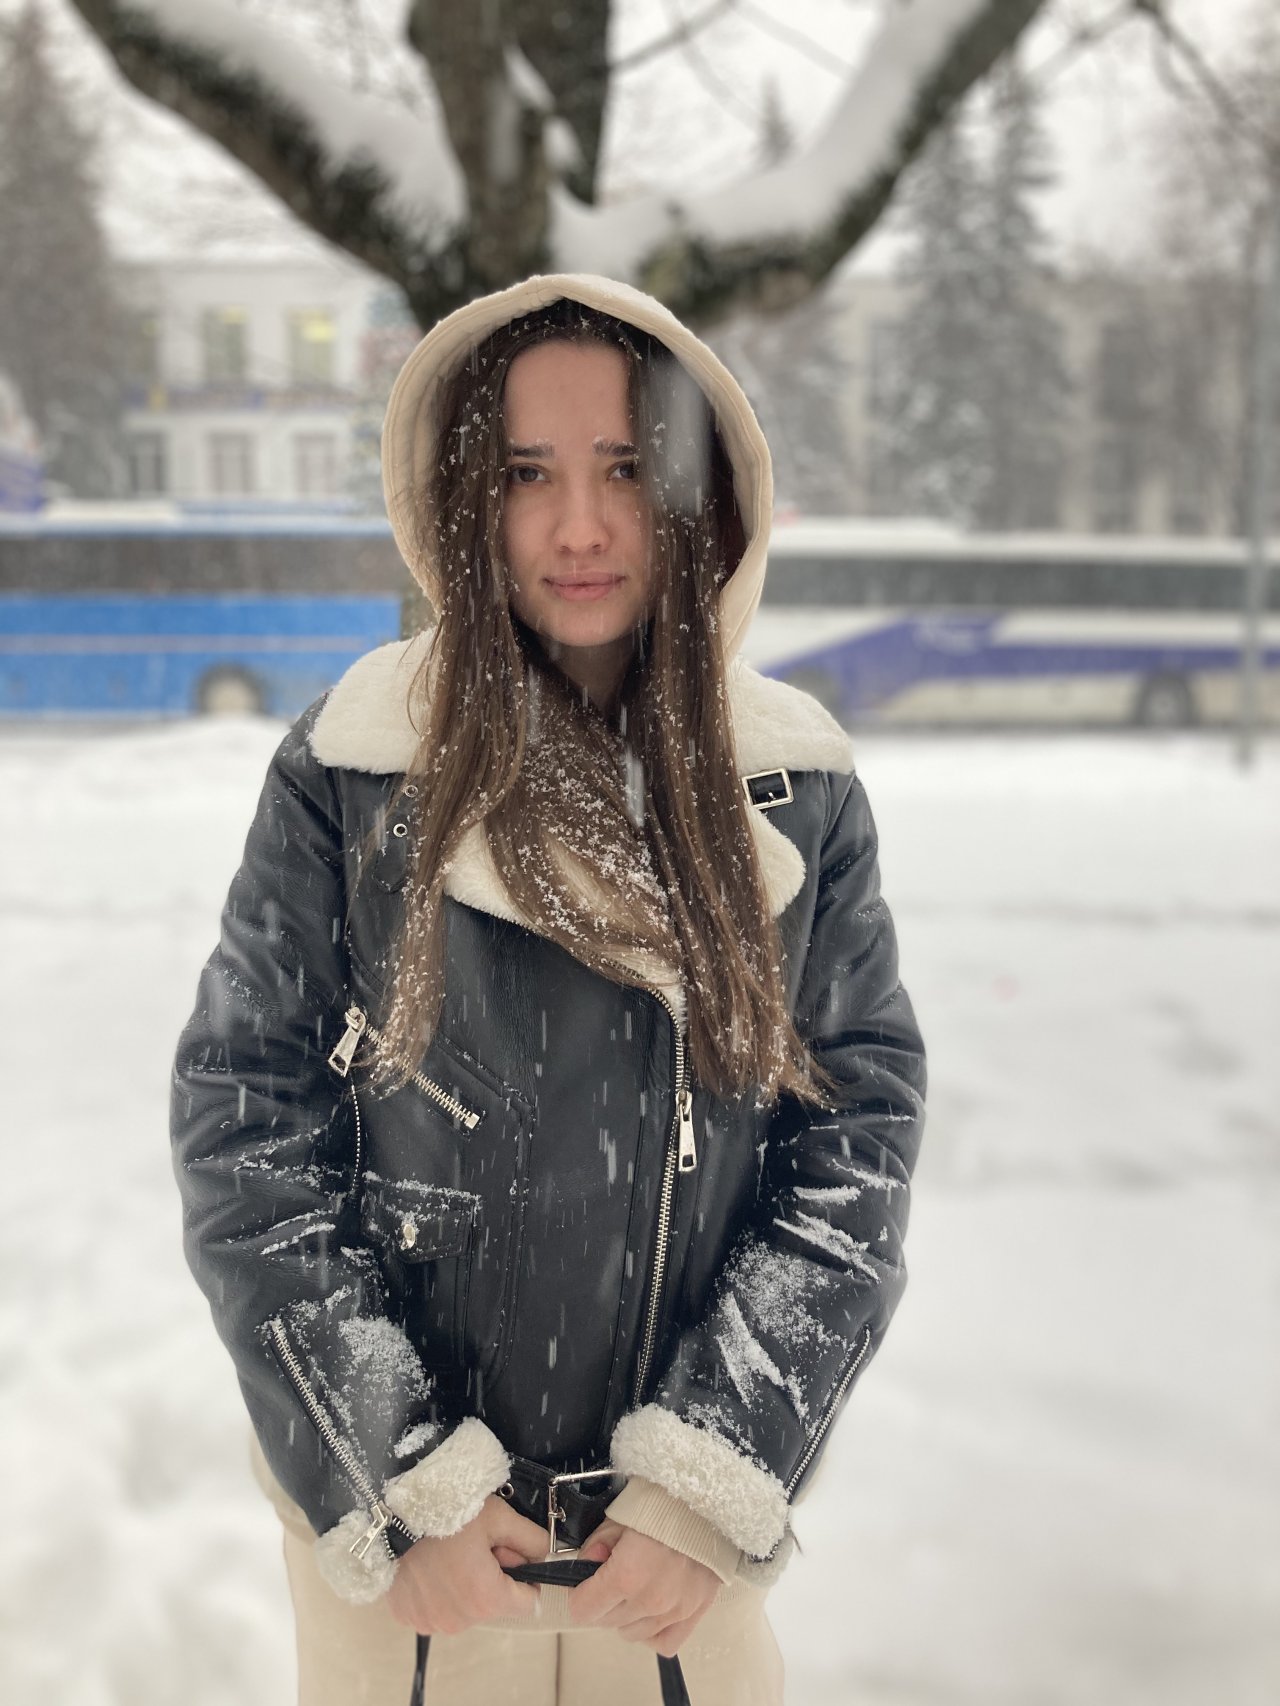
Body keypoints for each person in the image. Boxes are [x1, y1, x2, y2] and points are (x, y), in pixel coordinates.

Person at [171, 273, 927, 1706]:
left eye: (626, 468)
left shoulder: (796, 784)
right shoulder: (352, 769)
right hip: (420, 1585)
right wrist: (394, 1478)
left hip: (673, 1579)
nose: (579, 527)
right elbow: (246, 1125)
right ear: (468, 497)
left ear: (697, 492)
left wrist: (713, 1473)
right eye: (527, 473)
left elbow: (854, 1147)